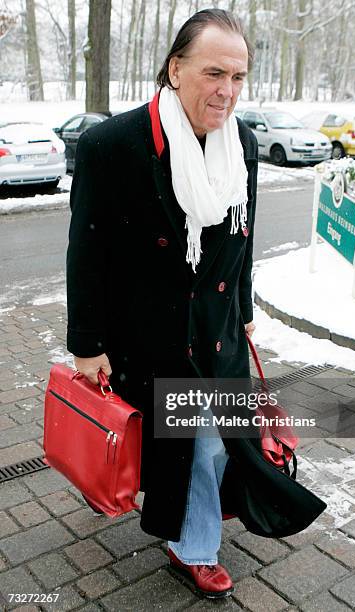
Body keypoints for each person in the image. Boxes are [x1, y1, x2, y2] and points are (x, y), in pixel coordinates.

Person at [66, 8, 258, 599]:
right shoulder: (111, 144)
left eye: (238, 77)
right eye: (213, 73)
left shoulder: (242, 143)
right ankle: (193, 547)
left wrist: (244, 312)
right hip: (153, 335)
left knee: (223, 441)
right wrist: (87, 344)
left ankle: (190, 522)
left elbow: (242, 241)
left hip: (216, 329)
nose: (226, 91)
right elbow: (87, 250)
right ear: (176, 68)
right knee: (195, 445)